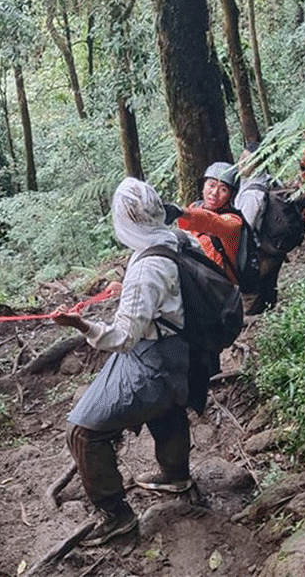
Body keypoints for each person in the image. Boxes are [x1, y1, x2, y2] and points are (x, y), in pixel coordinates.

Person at [51, 177, 197, 546]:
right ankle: (176, 474)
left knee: (83, 432)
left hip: (153, 360)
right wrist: (126, 288)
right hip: (181, 351)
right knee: (166, 405)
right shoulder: (174, 239)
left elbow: (122, 338)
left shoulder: (147, 270)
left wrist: (79, 324)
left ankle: (116, 514)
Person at [168, 161, 244, 284]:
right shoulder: (194, 207)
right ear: (203, 186)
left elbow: (213, 222)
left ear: (231, 196)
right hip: (194, 276)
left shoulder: (233, 221)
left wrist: (182, 213)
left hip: (221, 287)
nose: (214, 193)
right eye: (211, 185)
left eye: (223, 189)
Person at [234, 142, 284, 315]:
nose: (242, 163)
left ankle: (257, 321)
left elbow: (244, 227)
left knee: (255, 292)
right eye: (242, 158)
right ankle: (271, 316)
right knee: (270, 286)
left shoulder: (252, 194)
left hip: (260, 249)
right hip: (275, 245)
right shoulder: (271, 179)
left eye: (247, 160)